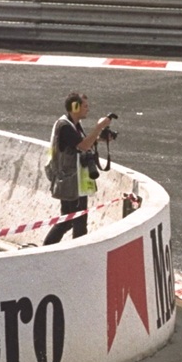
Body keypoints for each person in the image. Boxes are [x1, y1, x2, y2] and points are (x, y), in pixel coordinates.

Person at [42, 92, 113, 246]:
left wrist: (100, 138)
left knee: (69, 220)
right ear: (75, 107)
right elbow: (83, 146)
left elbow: (81, 142)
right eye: (85, 106)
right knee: (73, 221)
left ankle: (47, 250)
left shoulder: (73, 124)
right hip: (70, 182)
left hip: (74, 182)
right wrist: (100, 126)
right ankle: (69, 253)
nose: (88, 109)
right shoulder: (65, 126)